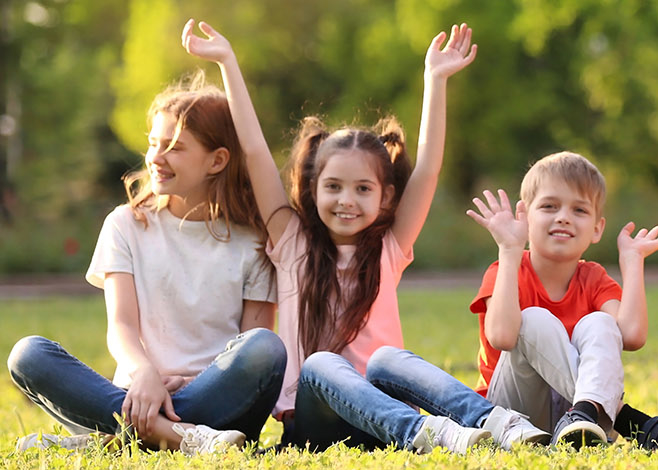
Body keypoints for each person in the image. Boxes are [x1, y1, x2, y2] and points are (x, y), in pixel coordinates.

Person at [184, 20, 539, 453]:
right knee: (321, 364)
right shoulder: (292, 243)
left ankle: (494, 420)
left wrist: (435, 79)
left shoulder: (389, 250)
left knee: (387, 359)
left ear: (386, 196)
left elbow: (427, 168)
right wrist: (228, 63)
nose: (346, 200)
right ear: (312, 188)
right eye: (333, 186)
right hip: (315, 423)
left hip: (379, 421)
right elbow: (255, 150)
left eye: (363, 189)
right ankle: (431, 433)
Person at [8, 23, 286, 454]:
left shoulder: (251, 244)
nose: (156, 157)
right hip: (140, 388)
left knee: (267, 349)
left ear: (217, 160)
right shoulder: (124, 224)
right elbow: (121, 326)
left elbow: (252, 343)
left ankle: (117, 437)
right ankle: (176, 437)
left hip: (216, 400)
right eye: (153, 143)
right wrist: (145, 374)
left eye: (174, 146)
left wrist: (189, 384)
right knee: (28, 354)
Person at [467, 151, 658, 449]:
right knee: (536, 319)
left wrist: (632, 262)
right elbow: (502, 336)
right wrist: (509, 250)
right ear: (525, 217)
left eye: (579, 210)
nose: (563, 217)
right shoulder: (505, 269)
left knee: (601, 322)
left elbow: (630, 335)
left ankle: (584, 416)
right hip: (511, 413)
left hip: (573, 413)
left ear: (597, 228)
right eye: (549, 206)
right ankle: (624, 420)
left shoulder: (592, 278)